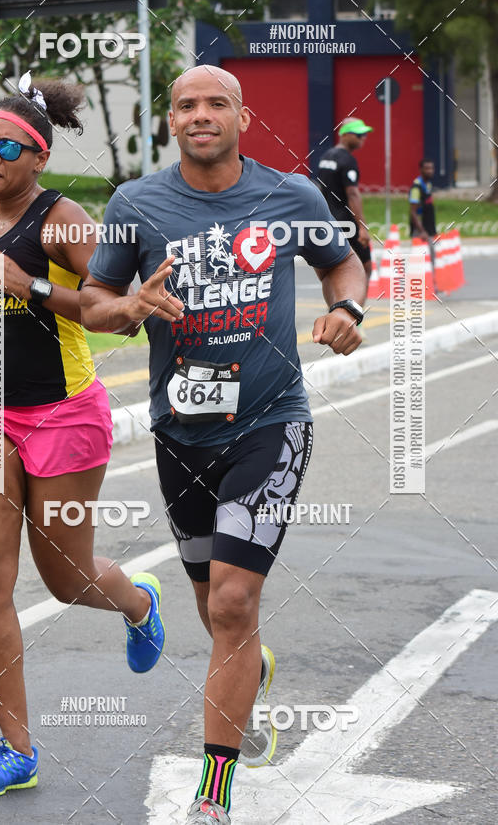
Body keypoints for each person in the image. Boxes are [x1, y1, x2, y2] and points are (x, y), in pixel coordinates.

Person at [80, 64, 367, 824]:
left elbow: (342, 259)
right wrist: (128, 305)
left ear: (242, 116)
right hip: (180, 433)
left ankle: (214, 795)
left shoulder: (290, 195)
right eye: (185, 105)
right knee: (217, 609)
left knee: (237, 602)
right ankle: (250, 664)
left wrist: (349, 306)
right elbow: (90, 301)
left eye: (215, 103)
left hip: (271, 422)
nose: (199, 114)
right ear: (170, 121)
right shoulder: (134, 204)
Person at [0, 75, 165, 800]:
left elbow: (114, 309)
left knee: (66, 578)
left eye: (4, 145)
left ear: (39, 156)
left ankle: (137, 602)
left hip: (63, 412)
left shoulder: (62, 220)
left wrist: (28, 285)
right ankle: (16, 747)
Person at [315, 117, 373, 285]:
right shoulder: (347, 160)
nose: (363, 138)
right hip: (347, 221)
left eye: (364, 135)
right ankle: (354, 308)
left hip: (329, 220)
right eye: (359, 134)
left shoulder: (326, 157)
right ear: (345, 135)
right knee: (365, 267)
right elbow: (353, 194)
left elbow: (321, 189)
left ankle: (338, 307)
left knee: (335, 268)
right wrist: (362, 226)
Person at [409, 158, 437, 272]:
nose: (430, 171)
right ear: (421, 170)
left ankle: (430, 284)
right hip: (420, 230)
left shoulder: (428, 184)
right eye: (427, 168)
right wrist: (422, 231)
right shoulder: (417, 187)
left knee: (430, 258)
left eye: (431, 168)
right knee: (422, 259)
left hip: (428, 228)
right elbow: (413, 211)